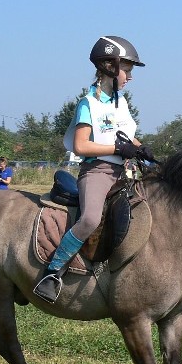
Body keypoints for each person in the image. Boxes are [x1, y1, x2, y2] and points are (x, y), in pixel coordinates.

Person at [33, 36, 153, 304]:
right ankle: (52, 273)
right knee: (89, 219)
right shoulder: (88, 104)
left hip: (122, 172)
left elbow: (127, 137)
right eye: (128, 70)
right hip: (97, 172)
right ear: (111, 67)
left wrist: (144, 150)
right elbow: (81, 145)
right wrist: (117, 149)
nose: (130, 77)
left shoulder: (119, 103)